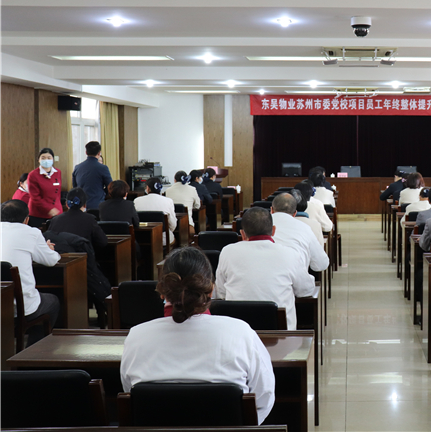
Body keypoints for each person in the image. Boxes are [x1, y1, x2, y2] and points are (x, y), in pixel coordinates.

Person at [121, 246, 275, 423]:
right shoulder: (241, 333)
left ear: (163, 292)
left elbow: (130, 391)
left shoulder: (136, 337)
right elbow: (264, 396)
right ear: (211, 290)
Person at [216, 208, 317, 331]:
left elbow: (221, 292)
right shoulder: (290, 253)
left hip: (238, 329)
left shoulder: (227, 252)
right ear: (273, 230)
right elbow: (305, 290)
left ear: (242, 234)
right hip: (280, 333)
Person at [0, 200, 61, 346]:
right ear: (26, 219)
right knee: (53, 302)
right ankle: (33, 349)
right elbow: (51, 260)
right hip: (19, 307)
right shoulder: (31, 233)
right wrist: (47, 249)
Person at [270, 192, 329, 272]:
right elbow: (321, 264)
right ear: (295, 213)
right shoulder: (305, 228)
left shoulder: (260, 226)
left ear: (271, 210)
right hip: (295, 275)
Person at [47, 188, 108, 254]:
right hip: (84, 259)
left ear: (67, 204)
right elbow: (103, 242)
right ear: (85, 205)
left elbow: (48, 241)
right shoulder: (90, 219)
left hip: (60, 258)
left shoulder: (55, 220)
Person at [134, 178, 177, 245]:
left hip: (141, 239)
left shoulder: (137, 201)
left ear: (147, 188)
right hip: (162, 239)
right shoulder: (168, 201)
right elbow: (173, 224)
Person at [27, 147, 62, 228]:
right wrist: (49, 209)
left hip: (56, 212)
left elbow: (57, 193)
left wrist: (57, 209)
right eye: (43, 158)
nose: (46, 160)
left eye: (49, 158)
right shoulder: (33, 175)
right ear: (38, 160)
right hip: (38, 214)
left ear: (53, 159)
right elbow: (35, 197)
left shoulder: (57, 172)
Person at [72, 141, 112, 210]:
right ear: (99, 153)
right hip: (97, 205)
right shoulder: (103, 168)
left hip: (81, 206)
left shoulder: (77, 167)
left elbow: (75, 187)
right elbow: (110, 186)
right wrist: (103, 193)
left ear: (86, 152)